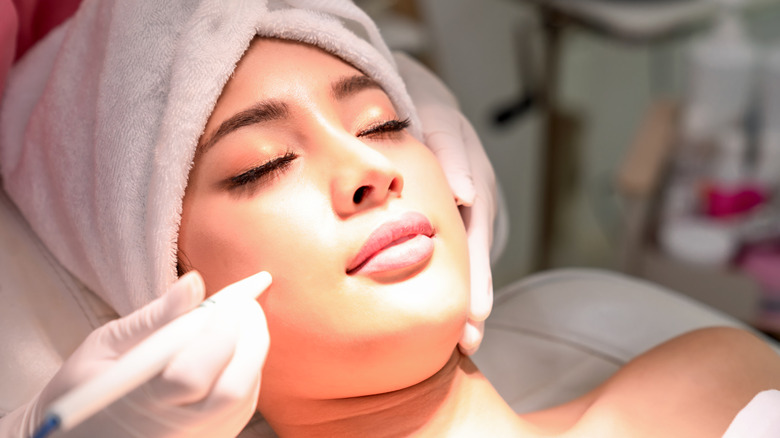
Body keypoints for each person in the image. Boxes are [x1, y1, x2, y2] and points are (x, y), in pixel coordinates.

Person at [0, 0, 778, 437]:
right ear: (167, 298)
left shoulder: (703, 381)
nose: (374, 170)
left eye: (381, 122)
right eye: (263, 164)